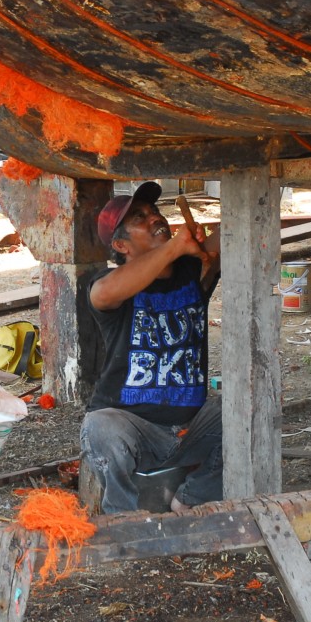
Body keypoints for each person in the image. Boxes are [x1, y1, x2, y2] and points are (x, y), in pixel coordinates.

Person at [81, 182, 224, 514]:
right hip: (135, 431)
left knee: (246, 405)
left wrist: (197, 242)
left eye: (155, 211)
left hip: (192, 427)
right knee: (100, 427)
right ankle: (124, 520)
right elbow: (103, 293)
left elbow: (234, 227)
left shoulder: (192, 270)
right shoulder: (109, 283)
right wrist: (174, 247)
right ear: (121, 245)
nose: (155, 218)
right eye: (140, 218)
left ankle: (191, 499)